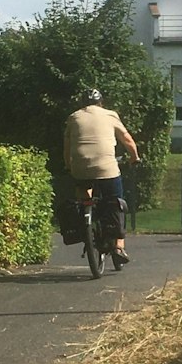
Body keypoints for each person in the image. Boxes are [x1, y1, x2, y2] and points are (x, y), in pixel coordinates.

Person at [63, 88, 139, 267]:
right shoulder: (110, 115)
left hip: (81, 168)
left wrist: (69, 166)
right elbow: (127, 140)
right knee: (117, 203)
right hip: (107, 168)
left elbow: (67, 148)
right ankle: (119, 247)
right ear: (101, 103)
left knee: (83, 192)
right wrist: (134, 157)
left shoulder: (73, 117)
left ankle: (86, 223)